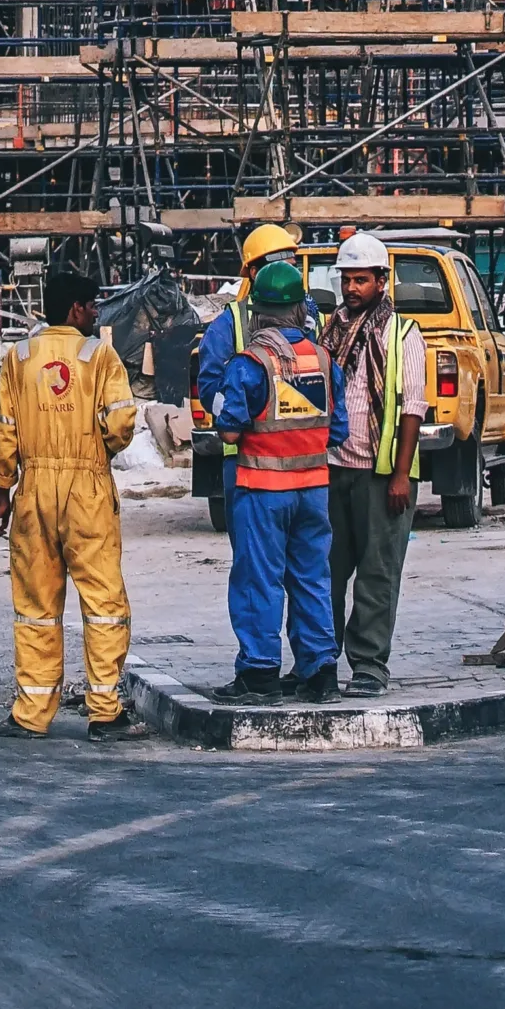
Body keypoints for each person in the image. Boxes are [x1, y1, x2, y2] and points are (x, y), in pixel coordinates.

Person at [0, 269, 147, 742]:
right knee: (102, 603)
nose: (97, 313)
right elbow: (121, 423)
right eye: (93, 305)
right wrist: (96, 454)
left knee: (36, 604)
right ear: (76, 308)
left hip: (33, 490)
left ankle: (31, 714)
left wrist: (3, 492)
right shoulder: (98, 355)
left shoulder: (18, 357)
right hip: (87, 488)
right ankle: (104, 712)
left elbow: (5, 429)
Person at [205, 259, 344, 703]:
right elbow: (337, 431)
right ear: (300, 310)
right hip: (314, 491)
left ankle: (259, 673)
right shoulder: (323, 360)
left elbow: (229, 429)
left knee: (259, 580)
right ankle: (320, 672)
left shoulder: (250, 363)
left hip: (262, 491)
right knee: (311, 578)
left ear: (258, 313)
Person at [322, 231, 430, 697]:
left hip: (382, 473)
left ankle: (368, 665)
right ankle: (320, 660)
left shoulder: (401, 334)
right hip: (332, 469)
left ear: (381, 282)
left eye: (361, 280)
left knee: (376, 572)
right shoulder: (331, 330)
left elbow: (412, 408)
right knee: (325, 570)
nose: (352, 289)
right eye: (347, 279)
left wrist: (401, 474)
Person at [193, 224, 304, 518]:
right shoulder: (228, 325)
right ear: (254, 272)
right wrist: (234, 414)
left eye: (291, 266)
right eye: (278, 265)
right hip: (247, 459)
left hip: (303, 457)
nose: (287, 275)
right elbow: (209, 390)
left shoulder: (311, 314)